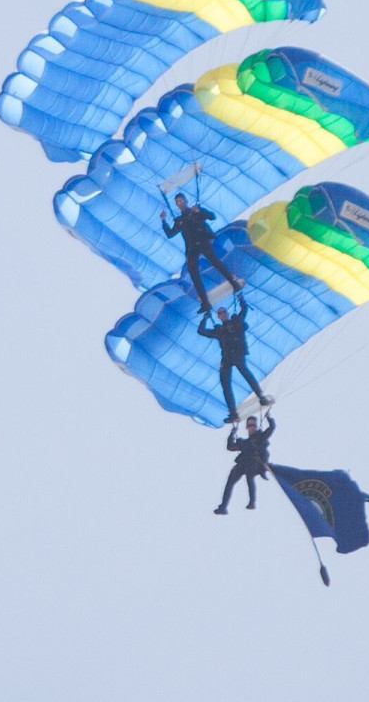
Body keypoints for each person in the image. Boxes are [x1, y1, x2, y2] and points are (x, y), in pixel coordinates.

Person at [161, 192, 242, 313]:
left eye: (182, 201)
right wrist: (163, 221)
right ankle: (205, 303)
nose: (180, 203)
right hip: (191, 248)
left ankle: (234, 283)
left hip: (203, 241)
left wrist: (200, 211)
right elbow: (170, 234)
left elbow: (212, 216)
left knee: (215, 262)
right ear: (176, 205)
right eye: (178, 202)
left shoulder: (196, 210)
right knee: (193, 274)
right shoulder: (179, 221)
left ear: (186, 201)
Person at [198, 293, 271, 423]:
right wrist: (205, 317)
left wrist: (240, 297)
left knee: (245, 372)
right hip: (226, 357)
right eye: (219, 313)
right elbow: (201, 331)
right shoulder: (219, 331)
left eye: (223, 312)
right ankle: (233, 413)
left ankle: (261, 396)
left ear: (227, 313)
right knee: (225, 384)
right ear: (218, 317)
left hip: (238, 353)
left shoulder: (236, 322)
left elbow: (244, 309)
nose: (222, 314)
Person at [214, 413, 275, 514]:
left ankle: (252, 502)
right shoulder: (244, 442)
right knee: (229, 482)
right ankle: (223, 507)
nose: (251, 428)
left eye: (253, 426)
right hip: (243, 463)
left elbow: (271, 428)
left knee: (249, 478)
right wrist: (232, 434)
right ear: (247, 427)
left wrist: (269, 417)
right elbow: (230, 447)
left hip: (253, 463)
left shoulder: (260, 438)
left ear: (256, 426)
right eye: (249, 426)